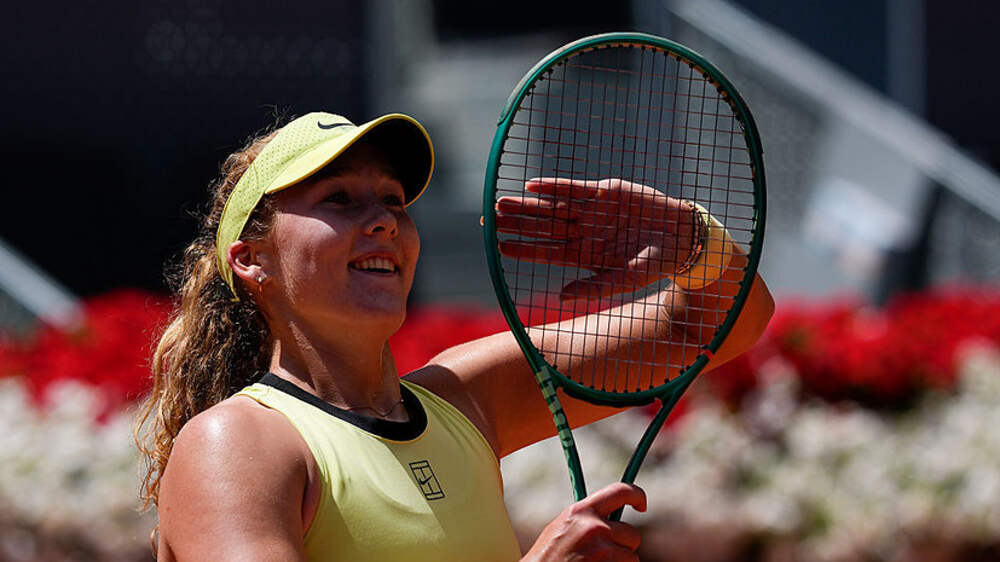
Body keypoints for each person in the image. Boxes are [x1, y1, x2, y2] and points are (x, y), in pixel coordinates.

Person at [134, 111, 774, 561]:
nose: (384, 220)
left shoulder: (465, 398)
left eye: (393, 200)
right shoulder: (235, 443)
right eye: (340, 199)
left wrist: (693, 243)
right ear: (252, 261)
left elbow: (720, 321)